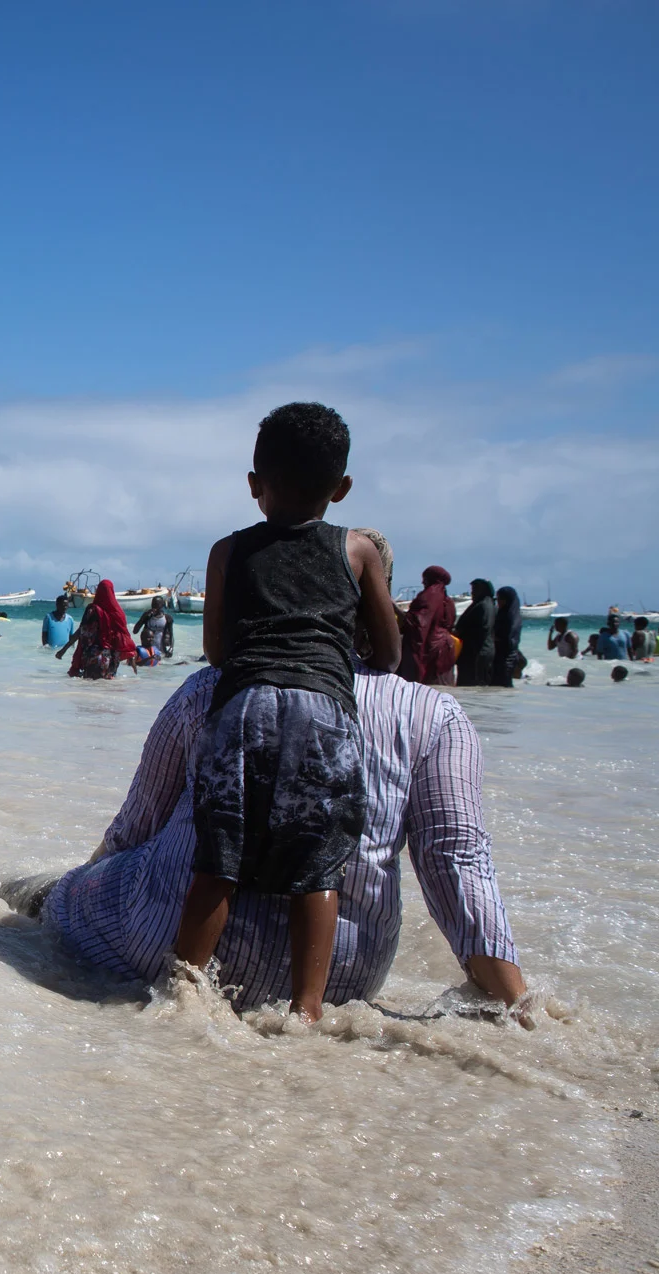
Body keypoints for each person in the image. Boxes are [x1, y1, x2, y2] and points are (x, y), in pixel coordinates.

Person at [35, 634, 527, 1020]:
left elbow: (137, 824)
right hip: (340, 977)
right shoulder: (435, 716)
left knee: (62, 895)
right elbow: (455, 863)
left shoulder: (210, 687)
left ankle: (39, 898)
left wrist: (85, 876)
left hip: (166, 945)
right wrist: (513, 999)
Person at [171, 402, 401, 1021]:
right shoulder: (358, 550)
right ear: (343, 487)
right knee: (316, 867)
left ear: (254, 484)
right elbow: (389, 650)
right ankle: (306, 1010)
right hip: (323, 710)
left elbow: (217, 650)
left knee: (218, 864)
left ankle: (184, 993)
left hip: (243, 704)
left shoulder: (227, 551)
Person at [56, 580, 139, 678]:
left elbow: (82, 631)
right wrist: (132, 658)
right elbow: (124, 637)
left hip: (94, 656)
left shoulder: (93, 610)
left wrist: (64, 649)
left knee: (90, 689)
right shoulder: (118, 613)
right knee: (106, 688)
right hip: (112, 659)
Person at [399, 566, 458, 685]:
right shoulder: (448, 600)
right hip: (446, 648)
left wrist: (393, 607)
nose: (422, 582)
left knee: (422, 691)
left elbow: (416, 622)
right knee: (442, 692)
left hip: (431, 649)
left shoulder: (429, 595)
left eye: (425, 578)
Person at [452, 579, 494, 685]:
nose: (472, 592)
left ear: (483, 590)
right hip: (479, 651)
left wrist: (458, 632)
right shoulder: (485, 604)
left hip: (476, 653)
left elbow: (481, 629)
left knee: (472, 684)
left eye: (475, 589)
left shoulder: (483, 606)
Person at [489, 585, 525, 687]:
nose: (498, 602)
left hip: (506, 661)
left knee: (501, 687)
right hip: (501, 659)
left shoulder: (511, 618)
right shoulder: (503, 614)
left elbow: (508, 640)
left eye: (500, 599)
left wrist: (492, 638)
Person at [134, 597, 173, 663]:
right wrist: (143, 618)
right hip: (147, 651)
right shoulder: (147, 616)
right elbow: (135, 631)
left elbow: (171, 634)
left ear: (162, 605)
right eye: (153, 604)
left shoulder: (167, 618)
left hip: (161, 650)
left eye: (157, 605)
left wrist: (171, 648)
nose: (154, 607)